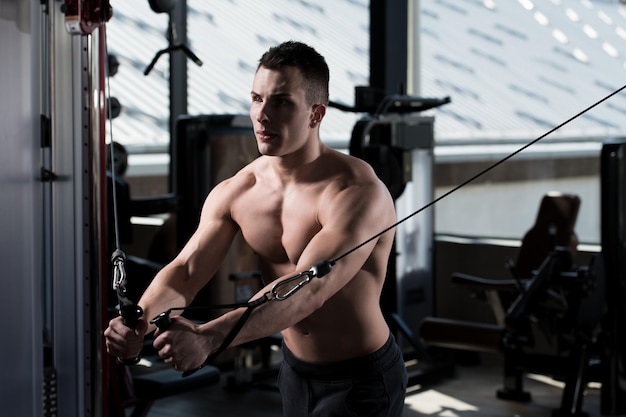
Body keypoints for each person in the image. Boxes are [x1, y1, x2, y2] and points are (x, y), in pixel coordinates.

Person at [104, 40, 408, 416]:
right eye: (256, 99)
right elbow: (186, 271)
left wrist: (209, 337)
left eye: (281, 101)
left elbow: (308, 290)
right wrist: (141, 324)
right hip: (295, 371)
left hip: (361, 378)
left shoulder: (356, 192)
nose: (262, 115)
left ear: (316, 114)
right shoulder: (239, 190)